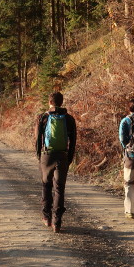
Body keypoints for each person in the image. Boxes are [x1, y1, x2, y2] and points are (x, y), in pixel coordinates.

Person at [35, 92, 77, 233]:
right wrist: (69, 158)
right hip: (62, 155)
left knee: (46, 185)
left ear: (49, 102)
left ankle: (46, 218)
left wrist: (39, 155)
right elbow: (73, 142)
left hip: (47, 155)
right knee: (59, 189)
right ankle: (57, 223)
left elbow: (37, 139)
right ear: (62, 101)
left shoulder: (43, 118)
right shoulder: (69, 119)